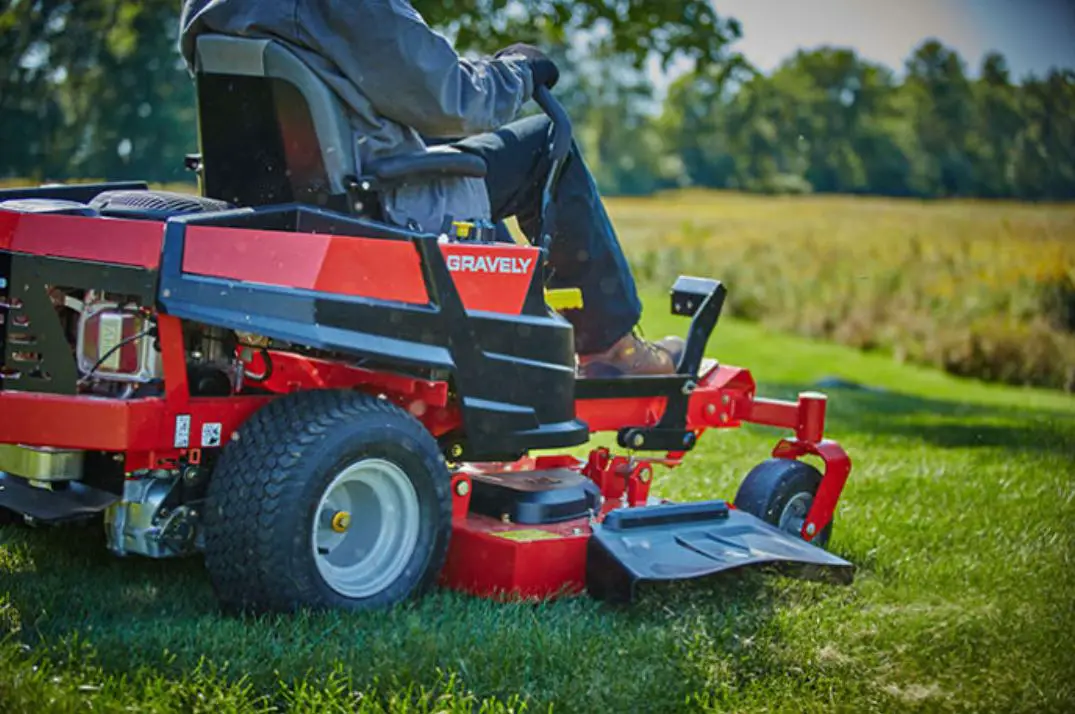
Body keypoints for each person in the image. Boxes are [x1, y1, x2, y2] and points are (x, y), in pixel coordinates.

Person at [179, 0, 683, 377]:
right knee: (545, 141)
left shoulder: (208, 5)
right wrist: (518, 71)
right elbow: (452, 101)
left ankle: (544, 332)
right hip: (378, 202)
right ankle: (610, 348)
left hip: (274, 208)